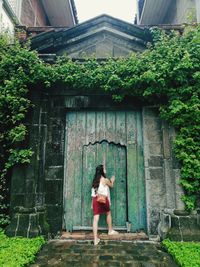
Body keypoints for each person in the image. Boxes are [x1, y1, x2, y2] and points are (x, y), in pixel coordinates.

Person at [91, 164, 119, 245]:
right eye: (104, 169)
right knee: (108, 213)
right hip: (103, 199)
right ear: (102, 171)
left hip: (95, 200)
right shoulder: (105, 179)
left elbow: (93, 192)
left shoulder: (95, 180)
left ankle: (95, 239)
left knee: (95, 219)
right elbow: (111, 185)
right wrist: (112, 180)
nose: (105, 170)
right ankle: (110, 230)